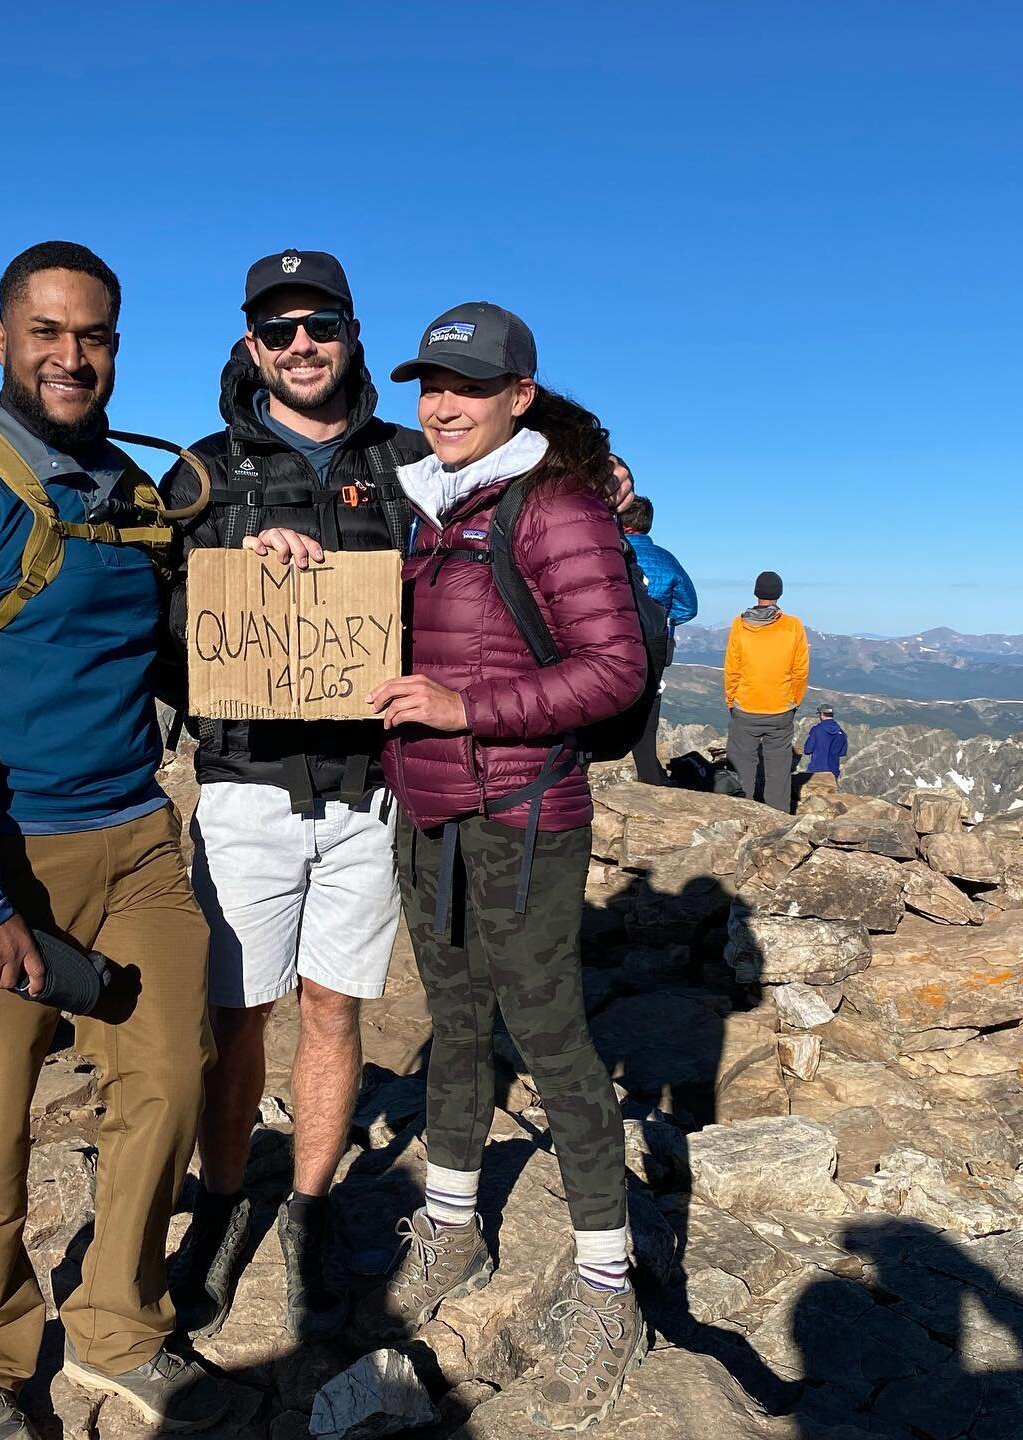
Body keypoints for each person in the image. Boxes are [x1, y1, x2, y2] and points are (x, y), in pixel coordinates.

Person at [0, 241, 225, 1437]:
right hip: (2, 851)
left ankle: (119, 1326)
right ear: (1, 339)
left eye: (96, 336)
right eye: (48, 332)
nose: (73, 357)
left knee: (172, 1078)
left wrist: (259, 582)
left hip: (135, 839)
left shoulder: (130, 491)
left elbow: (176, 653)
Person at [360, 303, 649, 1430]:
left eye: (467, 386)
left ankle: (607, 1285)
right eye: (430, 383)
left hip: (526, 817)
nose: (441, 404)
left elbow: (612, 672)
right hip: (429, 814)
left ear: (519, 396)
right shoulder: (430, 507)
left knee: (551, 1034)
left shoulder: (554, 507)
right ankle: (448, 1220)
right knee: (453, 1016)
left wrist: (464, 707)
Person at [161, 249, 431, 1343]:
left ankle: (310, 1208)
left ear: (354, 330)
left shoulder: (414, 462)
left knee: (335, 1005)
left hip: (370, 788)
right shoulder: (202, 470)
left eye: (320, 324)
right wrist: (226, 556)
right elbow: (156, 612)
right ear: (249, 346)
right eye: (279, 331)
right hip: (245, 786)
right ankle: (224, 1206)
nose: (302, 345)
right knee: (237, 1020)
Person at [619, 494, 697, 785]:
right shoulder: (666, 559)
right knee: (648, 703)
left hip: (614, 637)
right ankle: (648, 775)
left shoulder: (610, 551)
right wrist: (663, 617)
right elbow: (689, 606)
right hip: (655, 642)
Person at [723, 572, 810, 811]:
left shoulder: (739, 624)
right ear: (779, 594)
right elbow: (800, 670)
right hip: (781, 707)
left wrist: (731, 700)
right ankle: (778, 817)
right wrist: (795, 700)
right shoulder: (793, 625)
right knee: (779, 769)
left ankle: (742, 814)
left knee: (742, 766)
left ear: (756, 593)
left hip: (746, 706)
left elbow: (732, 668)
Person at [803, 703, 848, 777]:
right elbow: (842, 753)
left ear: (822, 715)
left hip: (816, 771)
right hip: (833, 772)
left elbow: (808, 750)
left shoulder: (817, 730)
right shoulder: (842, 733)